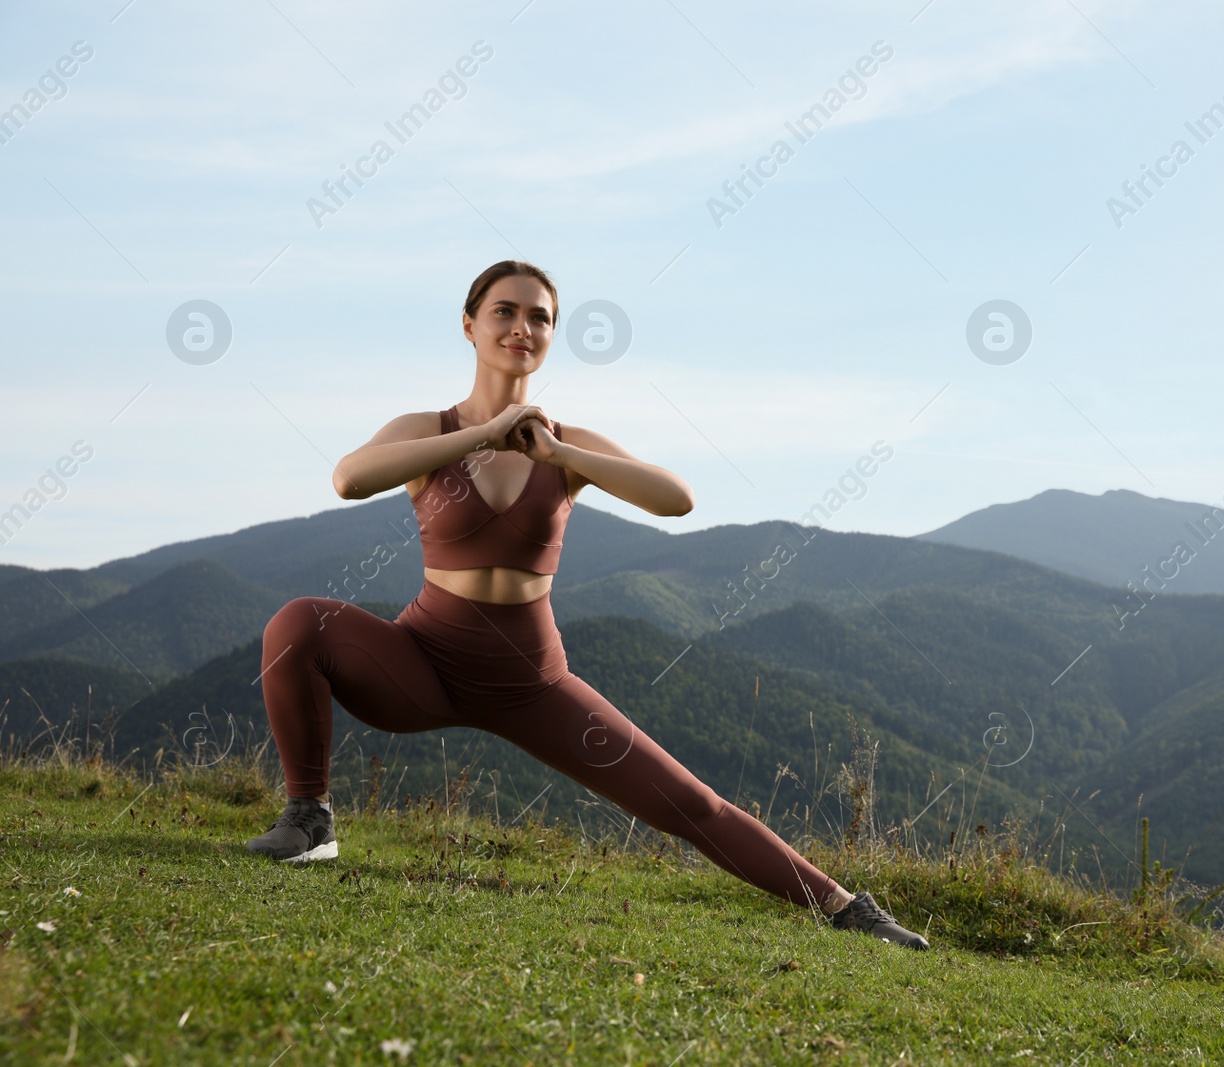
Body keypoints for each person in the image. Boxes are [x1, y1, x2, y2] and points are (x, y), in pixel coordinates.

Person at [246, 260, 928, 950]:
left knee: (689, 802)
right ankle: (310, 820)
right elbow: (348, 478)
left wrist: (556, 451)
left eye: (539, 316)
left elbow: (675, 497)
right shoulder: (430, 430)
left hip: (531, 682)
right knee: (300, 622)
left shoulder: (566, 449)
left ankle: (848, 910)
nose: (522, 327)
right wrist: (482, 435)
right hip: (422, 665)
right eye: (505, 311)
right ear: (469, 325)